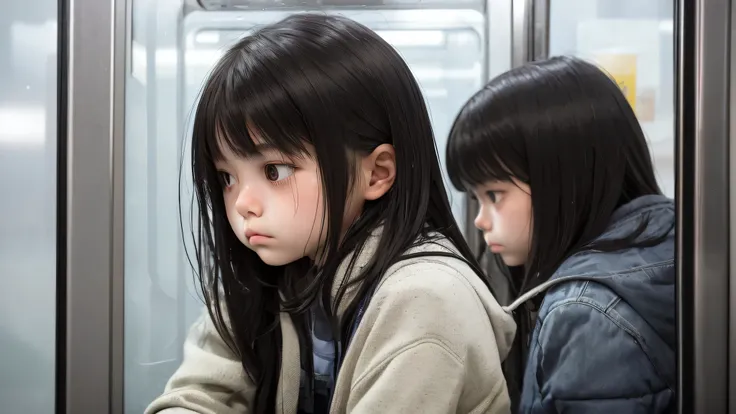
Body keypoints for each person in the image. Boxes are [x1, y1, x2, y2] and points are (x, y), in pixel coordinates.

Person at [145, 13, 516, 414]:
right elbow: (198, 397)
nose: (241, 203)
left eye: (274, 171)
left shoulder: (424, 298)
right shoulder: (269, 275)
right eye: (226, 176)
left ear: (376, 173)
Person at [445, 56, 675, 413]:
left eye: (494, 195)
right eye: (476, 199)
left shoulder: (584, 315)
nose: (480, 220)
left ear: (564, 181)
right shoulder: (672, 244)